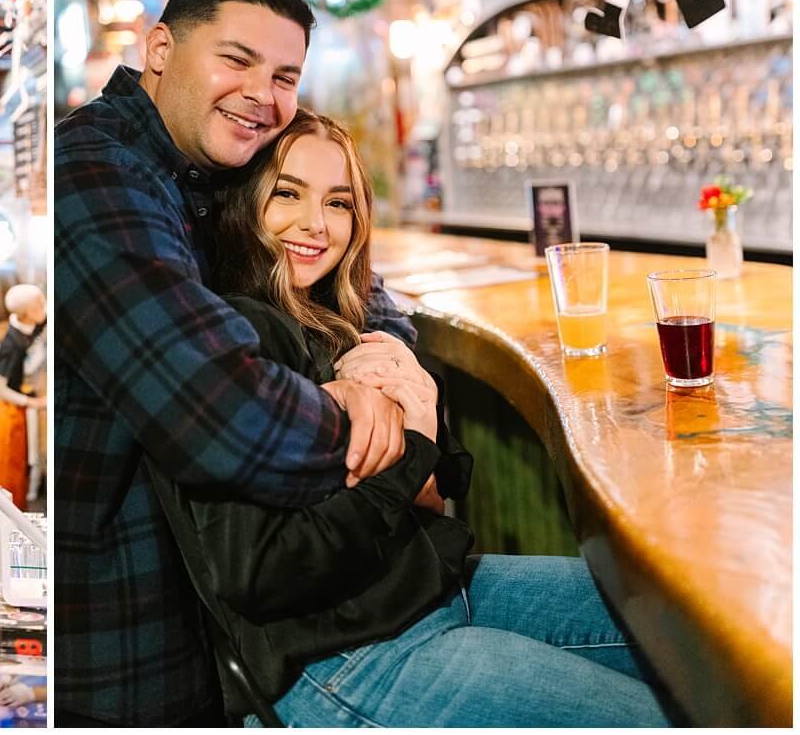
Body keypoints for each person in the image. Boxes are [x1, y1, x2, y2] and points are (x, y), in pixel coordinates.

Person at [150, 109, 679, 726]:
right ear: (244, 204)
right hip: (344, 658)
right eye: (287, 194)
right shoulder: (241, 334)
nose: (316, 224)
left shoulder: (331, 317)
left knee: (687, 634)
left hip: (425, 589)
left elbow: (442, 480)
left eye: (338, 203)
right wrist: (414, 442)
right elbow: (261, 571)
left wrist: (417, 405)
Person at [55, 0, 416, 726]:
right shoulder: (94, 171)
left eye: (285, 76)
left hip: (210, 631)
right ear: (160, 49)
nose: (263, 93)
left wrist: (381, 361)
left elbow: (365, 285)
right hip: (122, 649)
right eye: (237, 59)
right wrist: (370, 421)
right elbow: (220, 413)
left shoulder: (202, 166)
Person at [0, 283, 47, 508]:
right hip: (8, 411)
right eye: (40, 304)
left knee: (23, 468)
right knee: (9, 472)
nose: (45, 307)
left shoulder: (34, 326)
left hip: (22, 408)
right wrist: (33, 402)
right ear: (28, 313)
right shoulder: (12, 344)